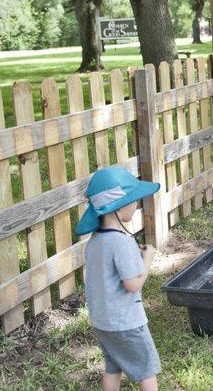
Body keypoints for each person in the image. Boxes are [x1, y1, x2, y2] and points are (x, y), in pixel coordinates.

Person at [75, 167, 161, 391]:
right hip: (127, 322)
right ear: (118, 206)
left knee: (113, 367)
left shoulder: (94, 241)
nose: (136, 205)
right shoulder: (122, 242)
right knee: (147, 370)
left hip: (103, 322)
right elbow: (132, 284)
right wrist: (147, 259)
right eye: (133, 200)